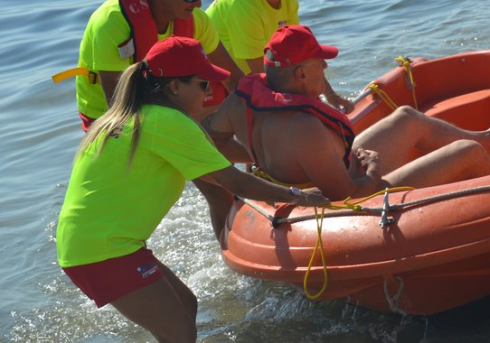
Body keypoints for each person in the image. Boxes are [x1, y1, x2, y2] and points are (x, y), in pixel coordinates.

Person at [56, 36, 328, 342]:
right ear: (174, 87)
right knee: (180, 333)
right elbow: (232, 180)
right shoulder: (167, 121)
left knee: (187, 305)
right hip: (102, 249)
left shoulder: (140, 115)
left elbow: (217, 155)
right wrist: (299, 196)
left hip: (97, 243)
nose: (210, 92)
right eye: (203, 84)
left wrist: (286, 155)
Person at [203, 25, 490, 206]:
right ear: (300, 74)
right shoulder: (304, 127)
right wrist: (373, 169)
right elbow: (348, 195)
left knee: (407, 117)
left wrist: (260, 156)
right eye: (318, 64)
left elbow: (211, 140)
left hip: (328, 169)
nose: (325, 68)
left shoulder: (238, 102)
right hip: (351, 198)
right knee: (469, 154)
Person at [60, 0, 243, 130]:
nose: (198, 4)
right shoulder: (112, 23)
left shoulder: (196, 19)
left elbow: (233, 78)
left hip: (163, 98)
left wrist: (260, 108)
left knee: (219, 97)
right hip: (107, 114)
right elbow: (117, 107)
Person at [206, 0, 353, 113]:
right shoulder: (244, 4)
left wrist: (330, 96)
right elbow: (259, 74)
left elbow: (303, 53)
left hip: (244, 73)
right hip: (210, 75)